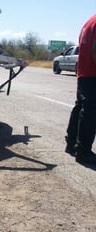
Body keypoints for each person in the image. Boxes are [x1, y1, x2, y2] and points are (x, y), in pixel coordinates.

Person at [65, 14, 96, 165]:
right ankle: (83, 151)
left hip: (84, 71)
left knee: (80, 108)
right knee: (90, 112)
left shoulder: (89, 22)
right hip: (93, 72)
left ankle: (71, 144)